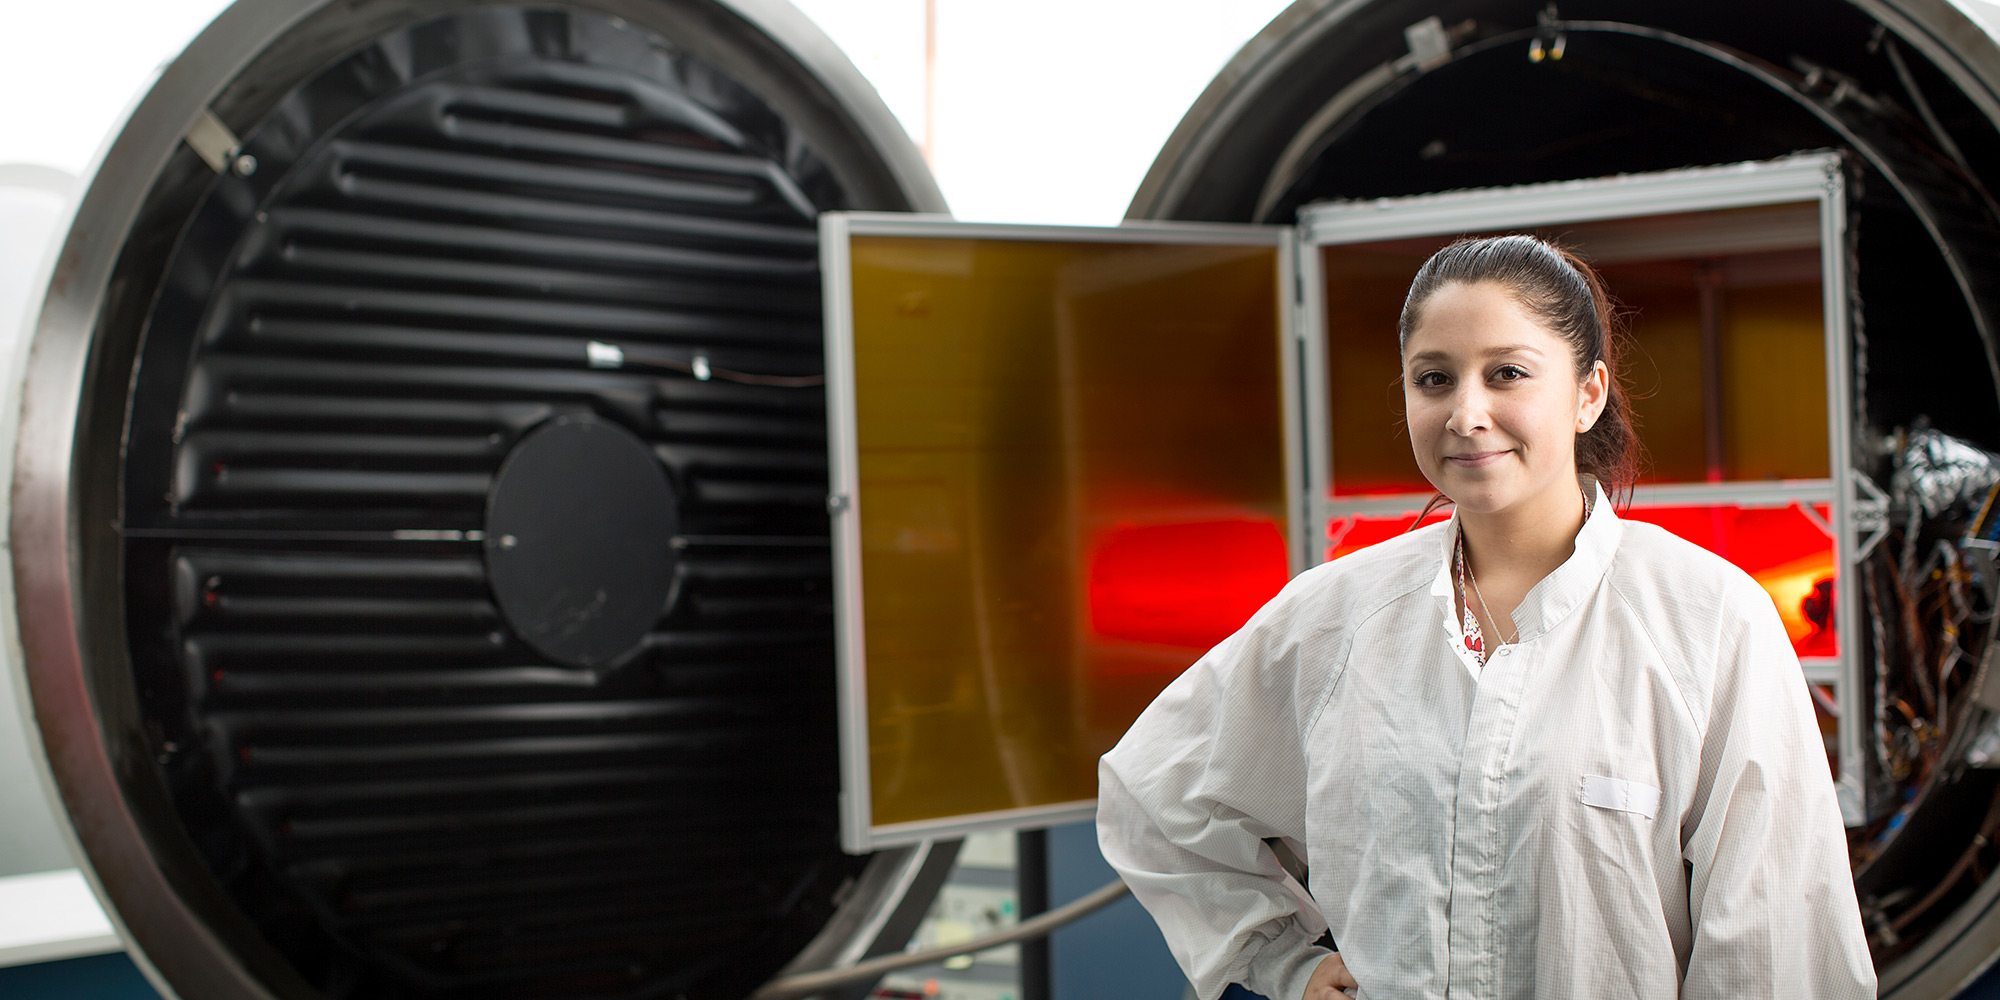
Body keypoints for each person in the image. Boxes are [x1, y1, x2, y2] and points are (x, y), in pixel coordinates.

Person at [1096, 234, 1875, 1000]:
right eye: (1434, 379)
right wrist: (1283, 961)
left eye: (1507, 373)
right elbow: (1154, 796)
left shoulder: (1707, 619)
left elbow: (1778, 948)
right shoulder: (1334, 618)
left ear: (1587, 394)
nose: (1467, 413)